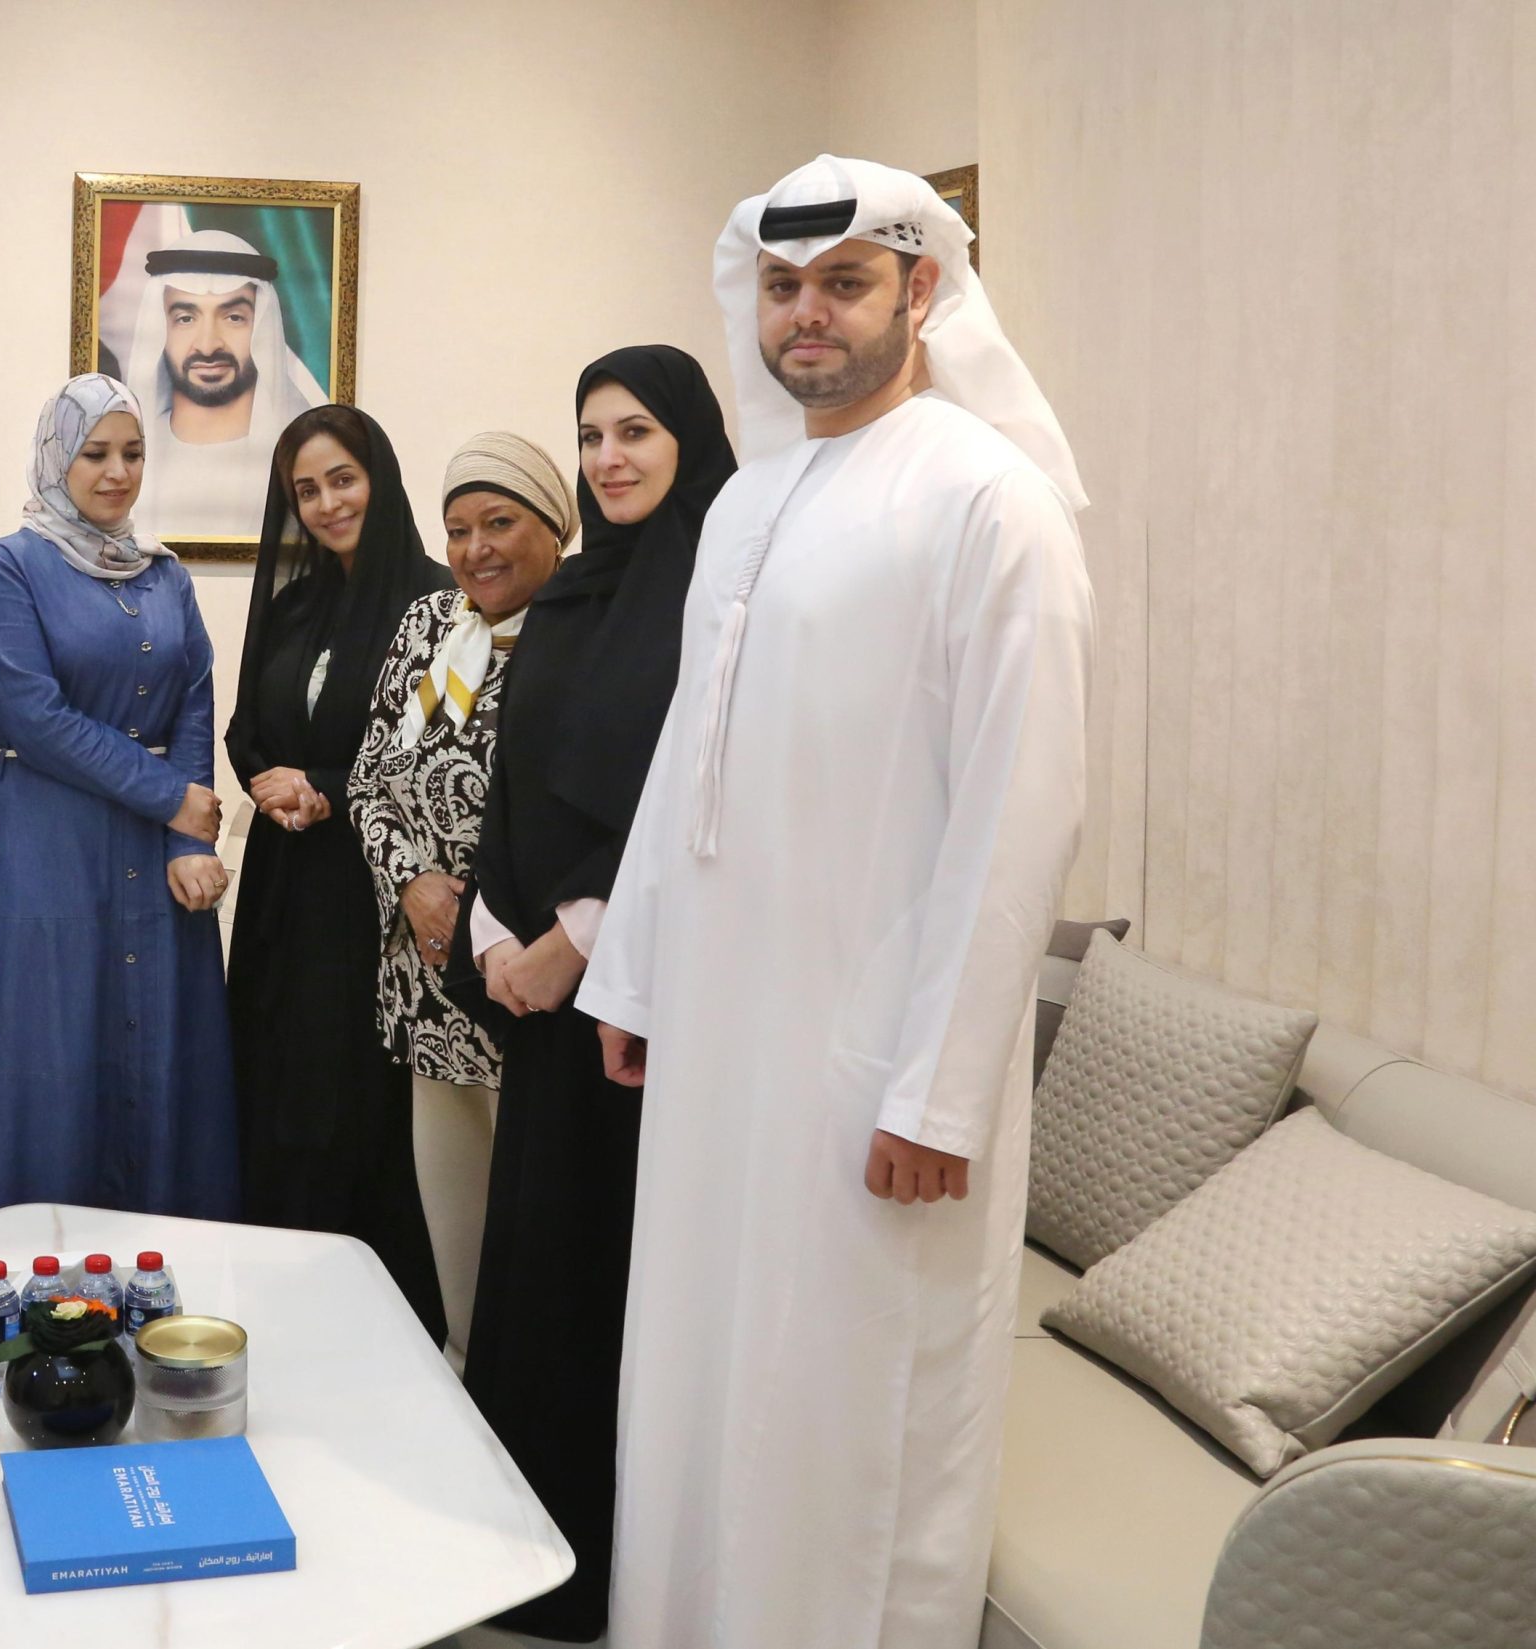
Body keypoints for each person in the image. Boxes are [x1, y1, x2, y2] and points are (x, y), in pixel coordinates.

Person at [580, 157, 1092, 1648]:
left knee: (842, 1430)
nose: (807, 314)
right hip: (721, 1047)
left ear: (922, 290)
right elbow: (690, 758)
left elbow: (1021, 812)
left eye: (845, 283)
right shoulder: (747, 501)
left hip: (871, 1073)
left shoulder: (991, 500)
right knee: (698, 1384)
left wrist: (942, 1088)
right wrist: (642, 975)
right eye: (783, 286)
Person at [451, 346, 737, 1641]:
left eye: (636, 432)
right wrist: (495, 935)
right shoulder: (573, 595)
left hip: (648, 1005)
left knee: (610, 1273)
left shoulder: (719, 594)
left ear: (688, 440)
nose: (609, 458)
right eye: (591, 435)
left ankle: (614, 1569)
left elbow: (691, 797)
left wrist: (576, 941)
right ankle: (528, 1543)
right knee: (536, 1259)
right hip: (536, 994)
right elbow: (516, 777)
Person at [0, 374, 236, 1250]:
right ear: (59, 457)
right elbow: (29, 716)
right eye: (95, 453)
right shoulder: (7, 569)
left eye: (132, 453)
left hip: (156, 853)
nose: (116, 472)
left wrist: (186, 839)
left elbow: (195, 697)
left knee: (158, 1058)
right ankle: (31, 1291)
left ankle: (160, 1284)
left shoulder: (166, 574)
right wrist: (171, 795)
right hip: (42, 844)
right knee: (46, 1061)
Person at [347, 431, 575, 1370]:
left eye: (500, 522)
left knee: (543, 1241)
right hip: (430, 984)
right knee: (457, 1240)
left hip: (533, 986)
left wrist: (479, 908)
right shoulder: (432, 626)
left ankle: (524, 1412)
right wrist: (411, 881)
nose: (476, 548)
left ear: (554, 525)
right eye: (458, 529)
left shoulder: (583, 628)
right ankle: (463, 1385)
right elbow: (371, 778)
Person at [224, 405, 449, 1341]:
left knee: (356, 1101)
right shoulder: (293, 606)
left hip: (375, 896)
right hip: (284, 886)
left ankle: (376, 1333)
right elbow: (246, 728)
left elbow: (432, 750)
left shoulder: (441, 606)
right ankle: (276, 1315)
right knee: (277, 1087)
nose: (326, 504)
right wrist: (271, 782)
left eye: (342, 480)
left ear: (379, 478)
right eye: (306, 490)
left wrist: (323, 784)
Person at [121, 228, 327, 540]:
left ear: (262, 328)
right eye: (185, 319)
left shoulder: (304, 455)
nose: (207, 346)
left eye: (233, 318)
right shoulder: (124, 463)